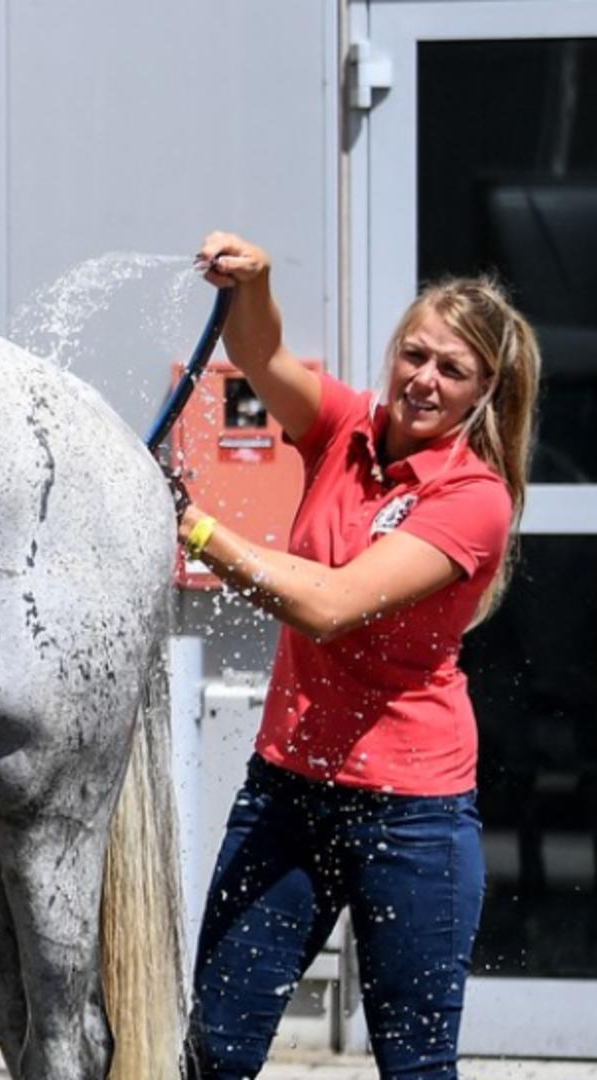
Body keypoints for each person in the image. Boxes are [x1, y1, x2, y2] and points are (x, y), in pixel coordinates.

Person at [180, 232, 540, 1079]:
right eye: (415, 354)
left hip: (412, 813)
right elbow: (261, 354)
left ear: (484, 390)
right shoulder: (345, 427)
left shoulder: (473, 497)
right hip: (286, 792)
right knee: (214, 1052)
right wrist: (257, 283)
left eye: (452, 370)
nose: (424, 378)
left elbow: (329, 605)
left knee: (414, 1067)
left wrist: (194, 527)